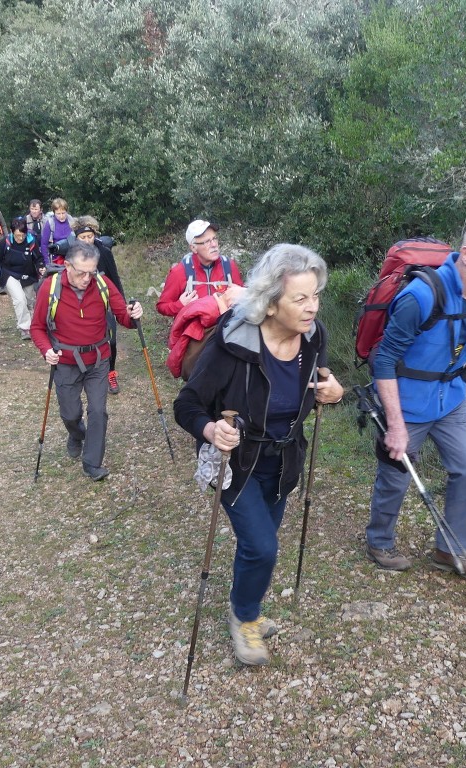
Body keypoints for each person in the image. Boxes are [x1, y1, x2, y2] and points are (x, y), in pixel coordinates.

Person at [174, 244, 344, 667]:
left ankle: (244, 601)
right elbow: (187, 404)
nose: (312, 308)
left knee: (258, 545)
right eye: (300, 298)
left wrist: (332, 393)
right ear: (269, 305)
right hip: (235, 463)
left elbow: (317, 385)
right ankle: (244, 617)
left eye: (315, 295)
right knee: (264, 547)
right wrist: (211, 429)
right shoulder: (233, 344)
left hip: (284, 460)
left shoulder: (314, 337)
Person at [365, 219, 466, 580]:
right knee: (396, 473)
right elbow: (383, 360)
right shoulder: (420, 297)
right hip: (409, 402)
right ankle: (380, 541)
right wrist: (395, 425)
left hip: (451, 398)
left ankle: (451, 550)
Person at [29, 241, 143, 481]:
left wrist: (133, 315)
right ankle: (76, 433)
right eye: (81, 272)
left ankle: (92, 463)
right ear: (67, 265)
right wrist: (46, 349)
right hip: (65, 361)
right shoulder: (50, 288)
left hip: (99, 360)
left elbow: (123, 316)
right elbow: (37, 327)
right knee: (70, 414)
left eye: (91, 272)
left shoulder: (102, 284)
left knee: (98, 411)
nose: (86, 278)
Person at [72, 215, 124, 395]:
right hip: (79, 304)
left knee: (112, 340)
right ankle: (85, 370)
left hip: (105, 301)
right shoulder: (71, 255)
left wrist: (122, 307)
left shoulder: (104, 252)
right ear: (76, 237)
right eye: (83, 237)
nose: (87, 240)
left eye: (90, 236)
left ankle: (111, 372)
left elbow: (115, 279)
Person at [156, 219, 244, 318]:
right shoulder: (180, 272)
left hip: (226, 328)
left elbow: (243, 298)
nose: (214, 244)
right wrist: (180, 305)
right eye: (207, 242)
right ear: (193, 248)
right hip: (197, 331)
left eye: (214, 238)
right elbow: (161, 306)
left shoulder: (228, 266)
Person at [0, 216, 45, 340]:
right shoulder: (5, 242)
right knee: (20, 300)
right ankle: (25, 328)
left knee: (30, 302)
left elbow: (39, 259)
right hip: (10, 274)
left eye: (22, 235)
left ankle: (33, 326)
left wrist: (41, 267)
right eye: (17, 235)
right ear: (11, 231)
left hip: (28, 275)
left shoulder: (31, 242)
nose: (20, 238)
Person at [40, 198, 74, 267]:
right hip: (56, 260)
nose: (61, 216)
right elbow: (44, 245)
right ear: (54, 212)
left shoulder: (71, 221)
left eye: (63, 213)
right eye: (58, 214)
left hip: (71, 258)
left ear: (66, 211)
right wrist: (47, 263)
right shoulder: (50, 223)